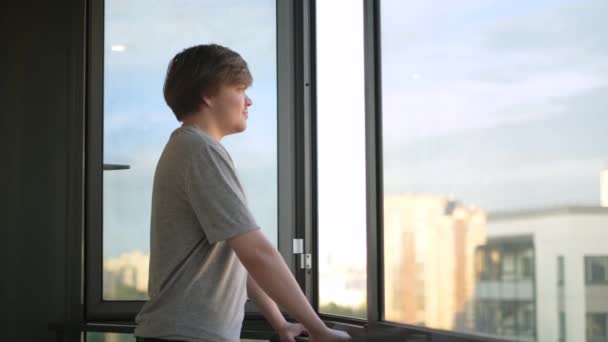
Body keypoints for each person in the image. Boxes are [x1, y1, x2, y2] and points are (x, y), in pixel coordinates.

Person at [134, 44, 351, 342]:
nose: (248, 101)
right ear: (207, 94)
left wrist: (280, 323)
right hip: (186, 336)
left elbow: (239, 255)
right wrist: (319, 330)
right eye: (239, 88)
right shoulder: (199, 151)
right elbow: (256, 251)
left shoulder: (191, 148)